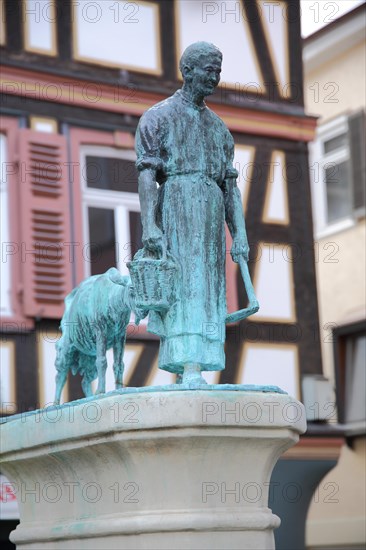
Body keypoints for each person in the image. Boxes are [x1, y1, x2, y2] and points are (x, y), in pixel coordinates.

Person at [135, 41, 249, 384]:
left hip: (211, 211)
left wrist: (240, 233)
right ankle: (186, 364)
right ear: (188, 71)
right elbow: (146, 175)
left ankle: (201, 361)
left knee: (210, 286)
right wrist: (149, 225)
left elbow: (231, 187)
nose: (214, 78)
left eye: (218, 71)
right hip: (177, 206)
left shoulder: (219, 129)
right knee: (184, 285)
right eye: (208, 70)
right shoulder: (158, 117)